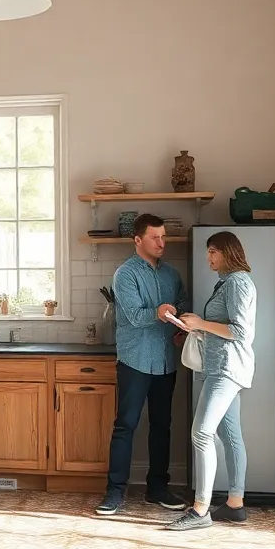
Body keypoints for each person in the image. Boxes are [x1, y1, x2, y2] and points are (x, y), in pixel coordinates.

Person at [96, 214, 189, 516]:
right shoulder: (125, 274)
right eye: (154, 237)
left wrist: (181, 326)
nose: (161, 242)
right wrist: (160, 312)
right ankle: (114, 492)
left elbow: (183, 306)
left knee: (162, 426)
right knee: (126, 426)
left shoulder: (172, 275)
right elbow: (135, 317)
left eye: (163, 236)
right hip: (135, 361)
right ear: (138, 240)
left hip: (165, 362)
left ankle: (157, 488)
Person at [167, 231, 257, 531]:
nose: (209, 258)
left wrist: (202, 324)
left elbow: (241, 332)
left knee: (201, 434)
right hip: (223, 366)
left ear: (228, 252)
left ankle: (200, 510)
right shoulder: (230, 283)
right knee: (231, 436)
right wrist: (195, 326)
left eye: (213, 252)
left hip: (226, 369)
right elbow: (225, 327)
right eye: (208, 252)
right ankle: (235, 505)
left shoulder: (237, 282)